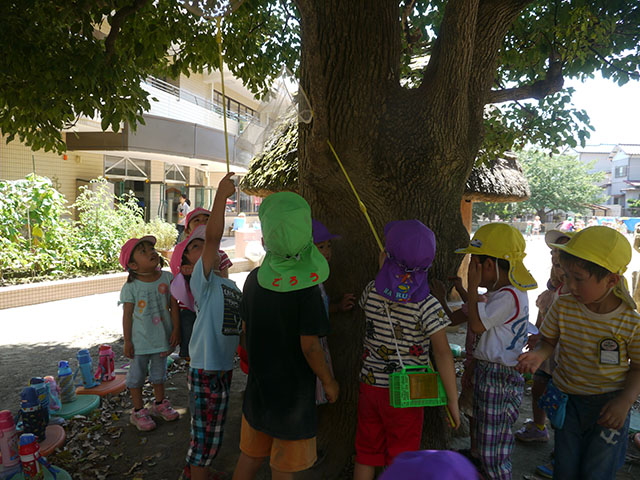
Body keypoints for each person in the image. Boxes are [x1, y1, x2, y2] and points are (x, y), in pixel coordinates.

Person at [517, 226, 640, 480]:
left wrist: (625, 402)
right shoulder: (563, 305)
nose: (569, 285)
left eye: (578, 278)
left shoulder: (631, 321)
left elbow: (638, 367)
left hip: (609, 406)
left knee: (598, 470)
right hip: (567, 400)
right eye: (566, 275)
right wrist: (538, 356)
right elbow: (548, 341)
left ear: (611, 280)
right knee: (565, 465)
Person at [232, 192, 338, 480]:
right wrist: (329, 381)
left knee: (250, 455)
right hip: (294, 398)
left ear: (265, 240)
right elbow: (310, 346)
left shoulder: (253, 280)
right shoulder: (308, 291)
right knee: (283, 466)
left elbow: (245, 329)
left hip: (259, 389)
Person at [353, 220, 460, 480]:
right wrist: (452, 400)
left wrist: (384, 271)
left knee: (366, 453)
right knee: (401, 458)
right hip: (408, 393)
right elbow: (443, 353)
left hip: (370, 387)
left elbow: (380, 296)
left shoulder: (370, 292)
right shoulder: (427, 304)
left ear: (385, 257)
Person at [454, 223, 538, 480]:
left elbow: (477, 325)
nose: (472, 269)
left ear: (489, 265)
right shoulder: (506, 292)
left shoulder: (508, 296)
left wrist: (471, 287)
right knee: (486, 435)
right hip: (490, 371)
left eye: (474, 264)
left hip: (498, 376)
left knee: (494, 448)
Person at [181, 172, 243, 480]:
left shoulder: (229, 286)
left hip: (223, 369)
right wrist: (220, 196)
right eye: (196, 246)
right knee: (204, 436)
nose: (205, 246)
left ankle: (198, 472)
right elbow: (215, 238)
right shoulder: (201, 282)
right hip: (205, 369)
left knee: (214, 430)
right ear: (187, 267)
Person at [118, 236, 181, 432]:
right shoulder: (131, 287)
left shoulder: (167, 278)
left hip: (161, 338)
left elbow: (174, 306)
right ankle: (138, 411)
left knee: (159, 375)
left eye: (151, 249)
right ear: (133, 265)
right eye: (143, 251)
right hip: (139, 342)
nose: (151, 252)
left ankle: (159, 404)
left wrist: (176, 329)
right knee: (136, 376)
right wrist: (127, 341)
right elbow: (127, 316)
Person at [171, 208, 234, 362]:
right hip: (188, 310)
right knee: (191, 352)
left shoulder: (220, 255)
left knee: (212, 348)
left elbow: (225, 283)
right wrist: (176, 327)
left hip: (213, 309)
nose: (203, 223)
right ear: (187, 230)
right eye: (197, 220)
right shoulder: (181, 252)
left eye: (207, 220)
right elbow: (177, 284)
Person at [311, 219, 356, 405]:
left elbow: (318, 312)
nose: (327, 251)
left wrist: (337, 307)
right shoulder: (307, 284)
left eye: (329, 246)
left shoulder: (318, 280)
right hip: (310, 349)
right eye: (321, 247)